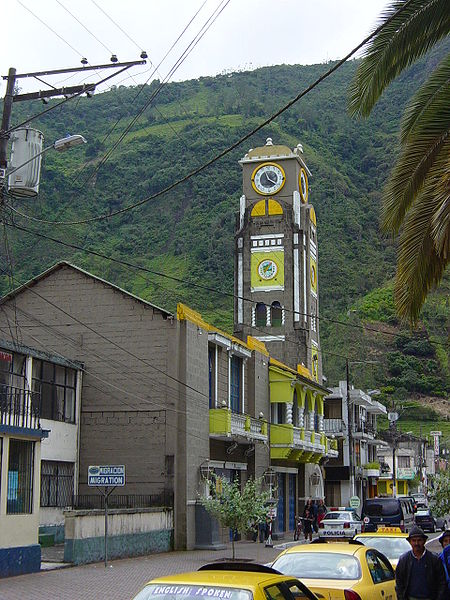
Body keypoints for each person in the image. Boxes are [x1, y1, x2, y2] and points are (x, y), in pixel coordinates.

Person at [395, 525, 447, 600]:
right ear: (410, 542)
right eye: (414, 540)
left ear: (424, 541)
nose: (416, 543)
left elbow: (441, 582)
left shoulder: (434, 559)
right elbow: (399, 583)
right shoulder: (404, 560)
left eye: (419, 540)